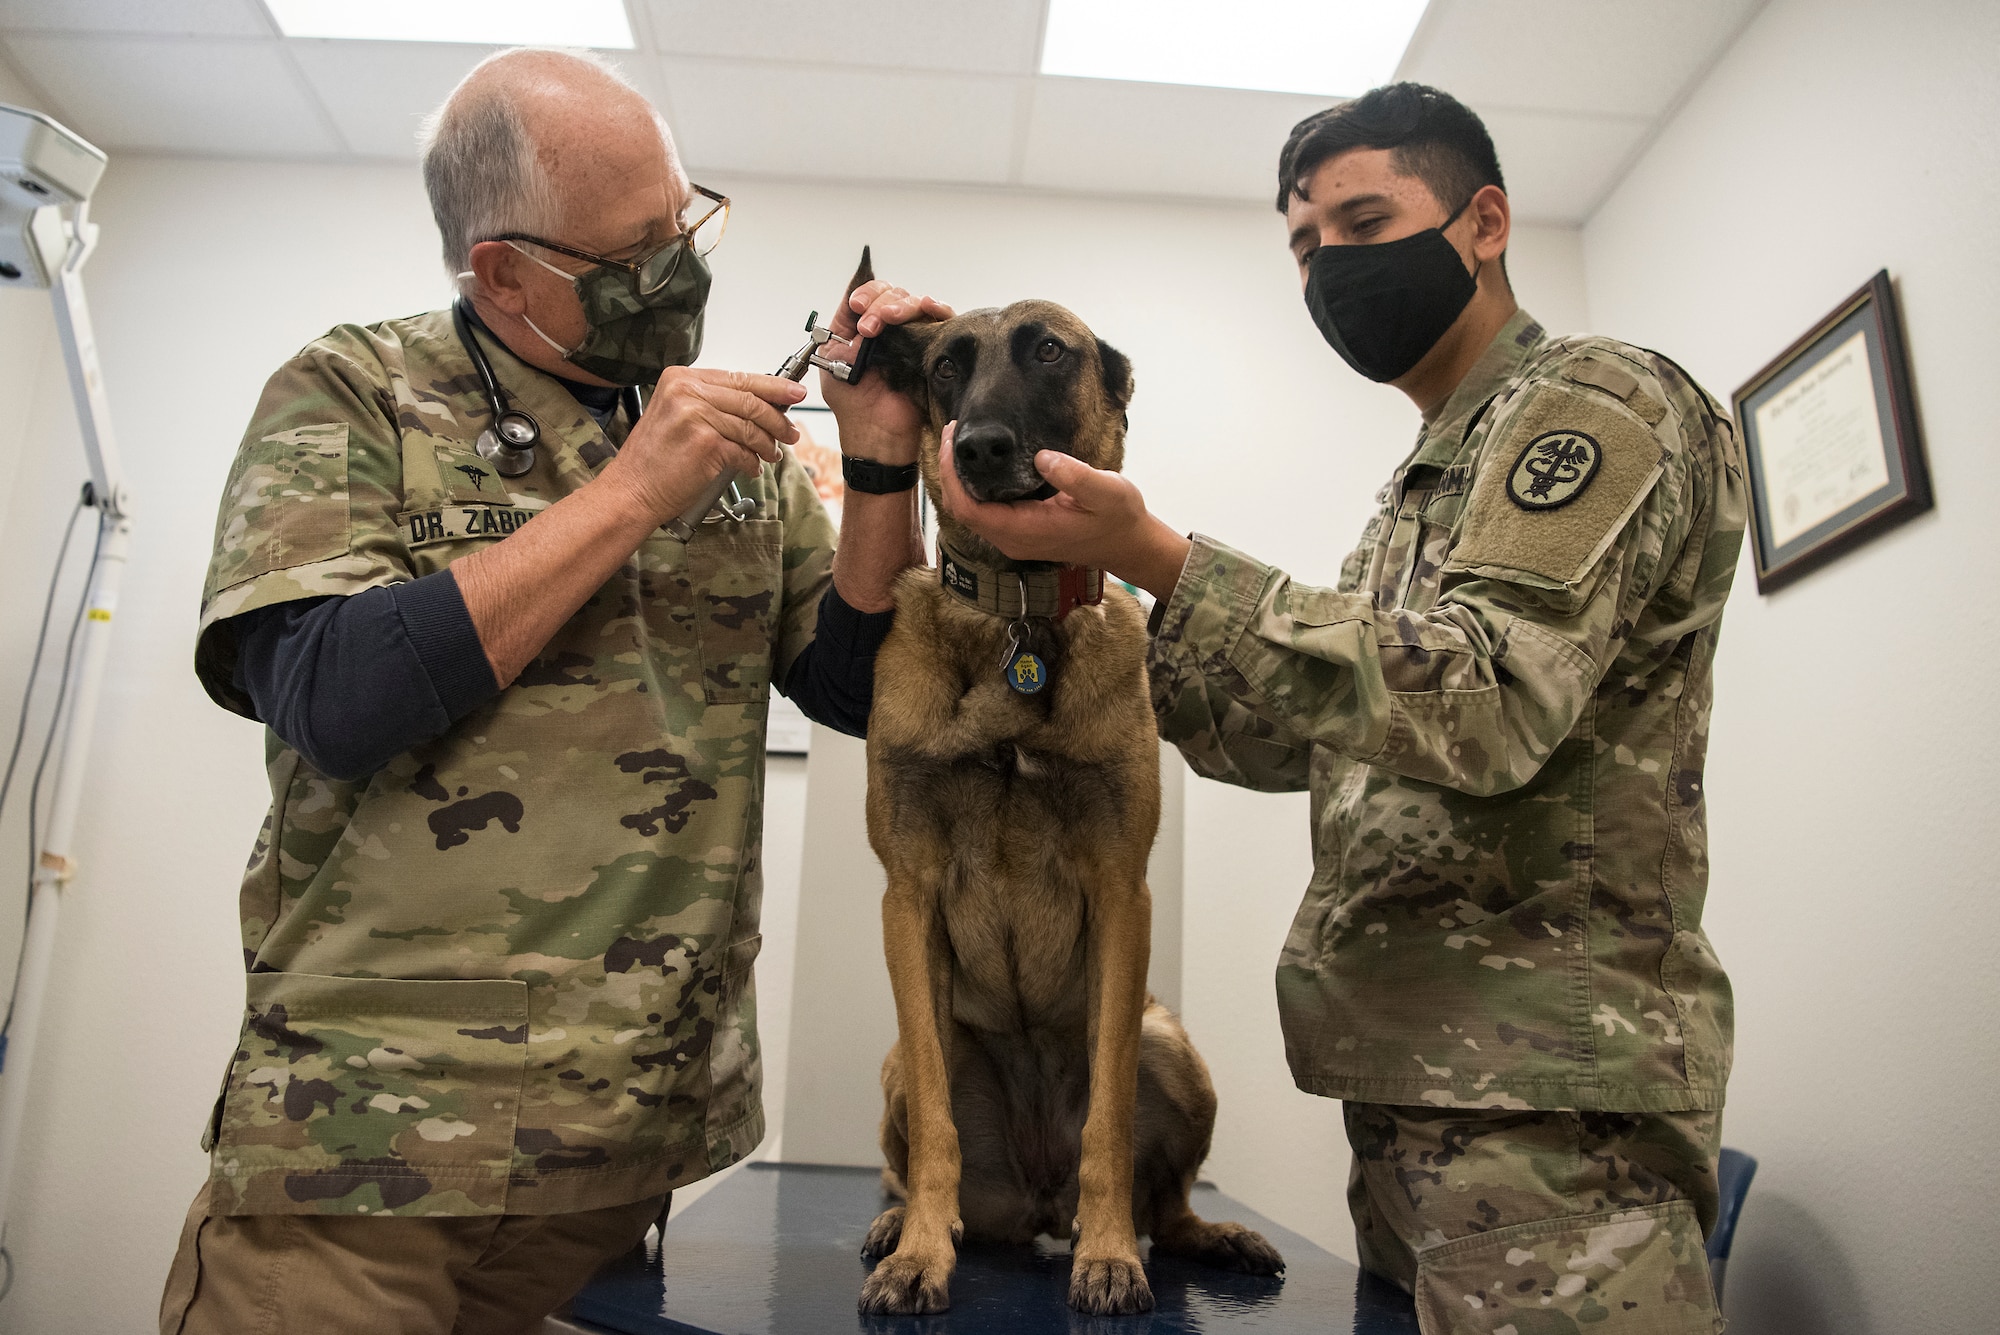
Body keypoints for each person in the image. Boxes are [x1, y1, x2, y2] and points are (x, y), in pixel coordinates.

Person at [160, 49, 946, 1335]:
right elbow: (330, 696)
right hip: (372, 1156)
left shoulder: (741, 455)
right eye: (634, 252)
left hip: (625, 1151)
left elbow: (852, 690)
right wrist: (633, 492)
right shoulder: (359, 389)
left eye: (686, 221)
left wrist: (874, 471)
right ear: (502, 273)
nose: (680, 270)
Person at [939, 83, 1745, 1334]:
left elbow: (1483, 701)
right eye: (1306, 246)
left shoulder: (1594, 402)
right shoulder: (1422, 487)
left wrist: (1160, 556)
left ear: (1483, 222)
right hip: (1417, 1091)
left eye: (1365, 223)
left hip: (1549, 1111)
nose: (1330, 270)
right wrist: (1067, 609)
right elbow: (1289, 735)